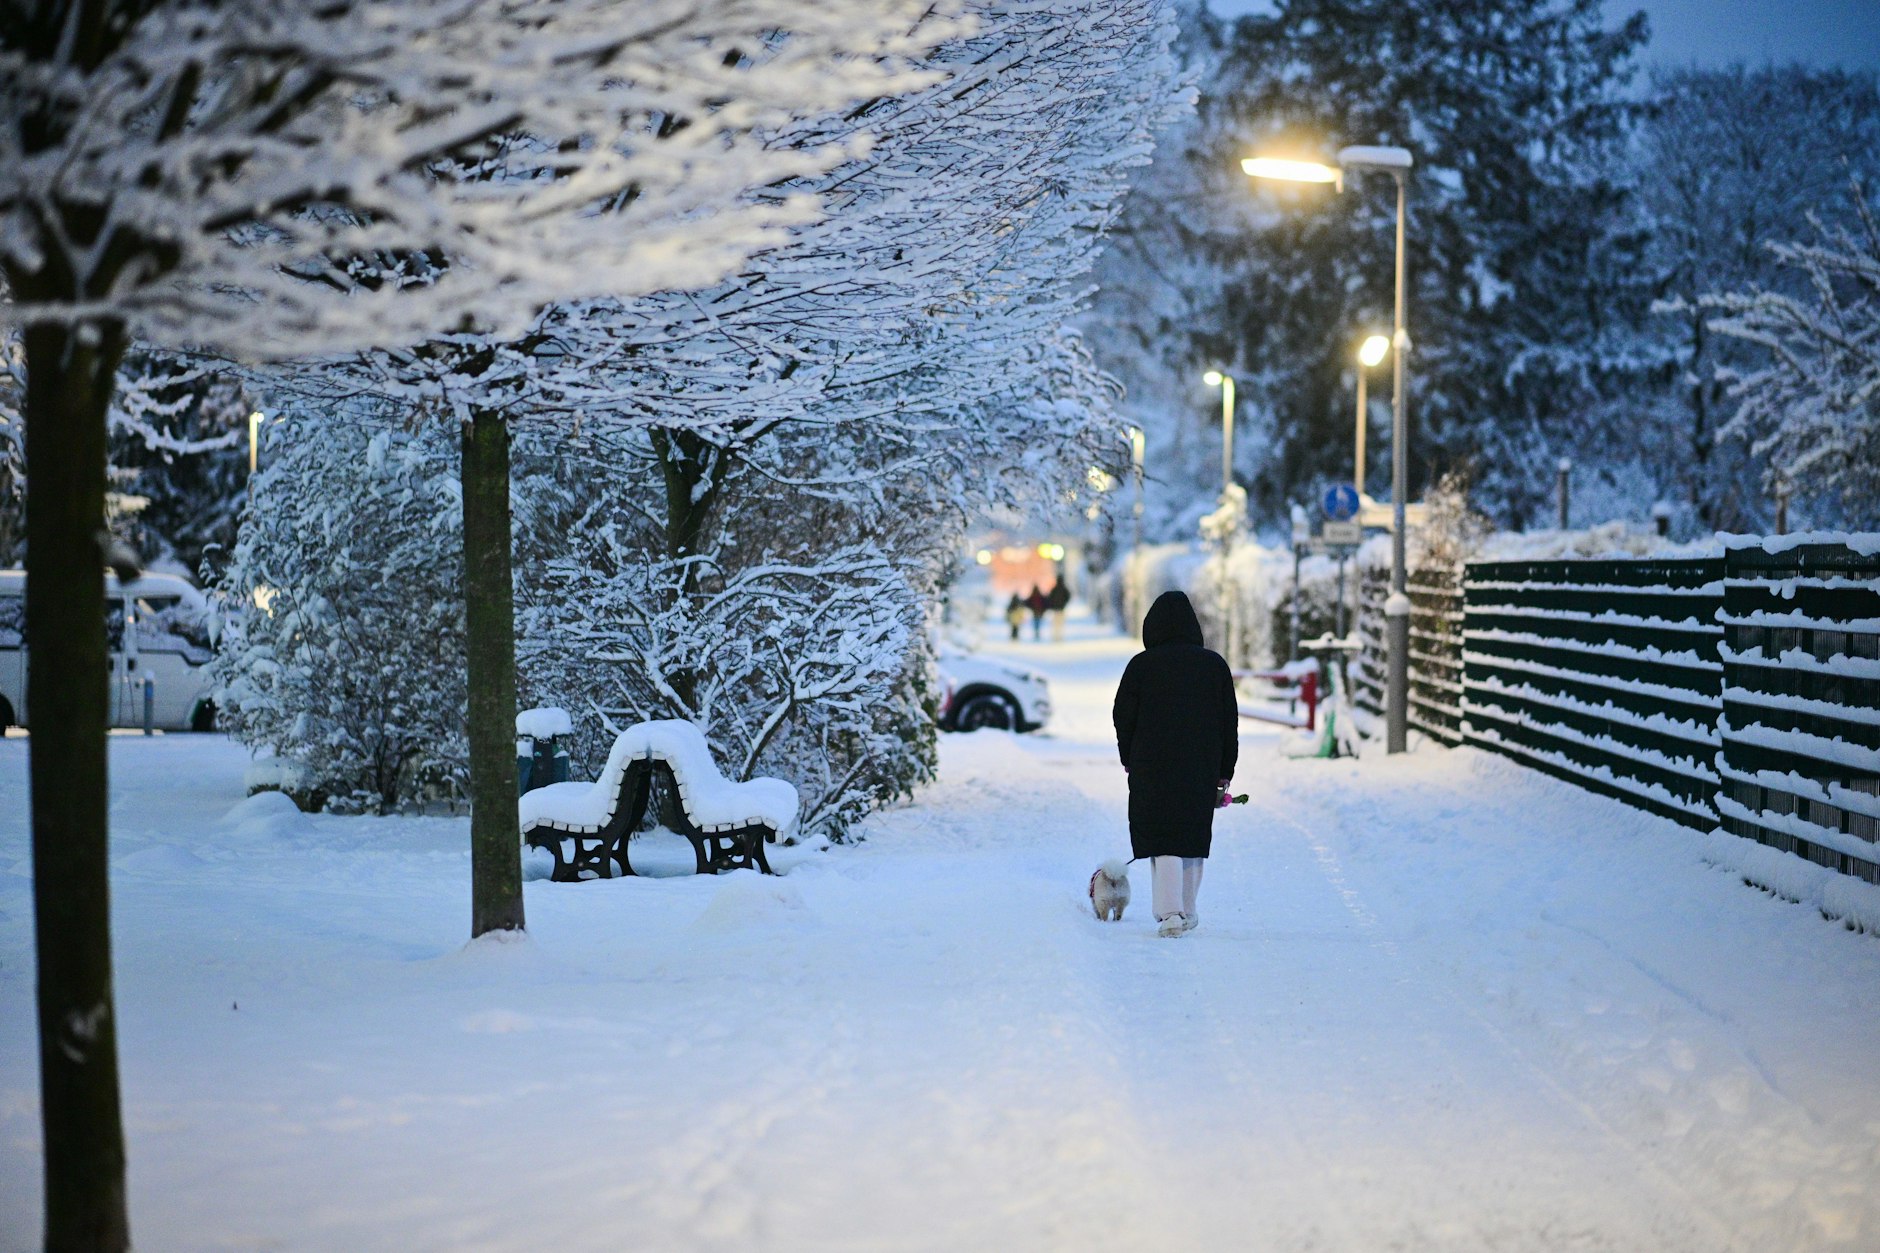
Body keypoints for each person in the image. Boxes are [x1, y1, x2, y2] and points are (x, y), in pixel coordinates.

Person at [1111, 590, 1239, 937]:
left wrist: (1129, 757)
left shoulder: (1141, 666)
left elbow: (1123, 716)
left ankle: (1171, 913)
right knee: (1191, 834)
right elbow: (1229, 721)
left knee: (1162, 835)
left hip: (1152, 763)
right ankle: (1188, 908)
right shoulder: (1214, 666)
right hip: (1200, 763)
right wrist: (1226, 769)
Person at [1045, 576, 1070, 642]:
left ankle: (1055, 637)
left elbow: (1049, 598)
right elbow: (1068, 597)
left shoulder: (1054, 589)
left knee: (1055, 624)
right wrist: (1064, 603)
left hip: (1056, 609)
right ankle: (1059, 637)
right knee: (1060, 624)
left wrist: (1052, 605)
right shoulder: (1064, 589)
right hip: (1061, 609)